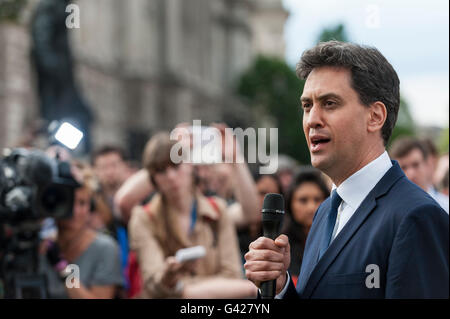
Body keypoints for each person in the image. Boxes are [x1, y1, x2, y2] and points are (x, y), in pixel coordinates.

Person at [244, 41, 449, 298]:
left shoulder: (416, 217)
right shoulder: (325, 212)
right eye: (307, 106)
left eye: (329, 103)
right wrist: (281, 288)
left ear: (375, 117)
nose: (312, 120)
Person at [128, 132, 257, 298]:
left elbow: (232, 275)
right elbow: (155, 284)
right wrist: (171, 278)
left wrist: (182, 289)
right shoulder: (144, 217)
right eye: (161, 171)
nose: (171, 177)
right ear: (153, 178)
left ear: (190, 164)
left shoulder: (217, 209)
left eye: (176, 166)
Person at [38, 161, 123, 298]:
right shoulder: (42, 246)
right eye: (69, 202)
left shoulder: (104, 248)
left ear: (91, 207)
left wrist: (63, 269)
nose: (75, 211)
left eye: (82, 203)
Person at [281, 168, 329, 286]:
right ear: (290, 204)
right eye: (303, 200)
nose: (311, 207)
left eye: (317, 199)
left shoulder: (335, 238)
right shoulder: (281, 243)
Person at [390, 137, 449, 213]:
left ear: (427, 164)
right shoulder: (390, 210)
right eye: (403, 167)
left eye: (415, 165)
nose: (411, 173)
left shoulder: (446, 208)